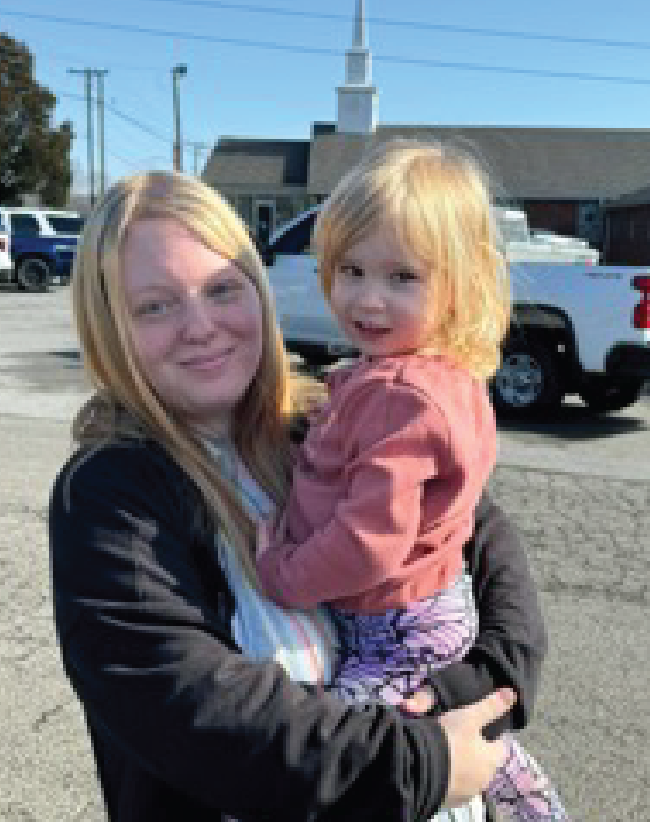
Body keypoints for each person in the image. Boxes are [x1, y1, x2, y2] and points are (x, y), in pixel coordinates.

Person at [48, 168, 548, 822]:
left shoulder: (324, 417)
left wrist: (479, 684)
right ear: (108, 324)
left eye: (222, 289)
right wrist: (425, 762)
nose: (201, 326)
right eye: (155, 305)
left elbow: (484, 542)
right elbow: (192, 710)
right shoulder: (109, 494)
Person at [256, 139, 567, 822]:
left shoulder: (400, 395)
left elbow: (369, 543)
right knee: (489, 750)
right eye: (351, 269)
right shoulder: (430, 377)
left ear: (456, 283)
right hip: (430, 614)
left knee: (350, 751)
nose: (367, 298)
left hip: (394, 629)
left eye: (402, 277)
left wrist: (279, 572)